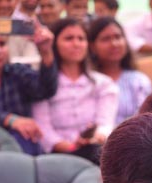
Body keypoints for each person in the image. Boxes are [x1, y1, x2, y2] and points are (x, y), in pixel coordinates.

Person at [31, 16, 116, 162]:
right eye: (69, 38)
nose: (76, 44)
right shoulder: (43, 84)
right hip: (57, 156)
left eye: (81, 39)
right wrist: (71, 147)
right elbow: (44, 130)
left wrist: (94, 138)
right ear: (54, 44)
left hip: (95, 150)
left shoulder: (103, 83)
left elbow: (105, 123)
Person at [0, 15, 56, 154]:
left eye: (2, 44)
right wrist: (11, 120)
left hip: (24, 144)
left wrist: (46, 52)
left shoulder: (17, 72)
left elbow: (46, 90)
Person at [87, 16, 150, 123]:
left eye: (118, 37)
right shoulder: (87, 81)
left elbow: (145, 119)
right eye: (106, 39)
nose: (114, 44)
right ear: (92, 47)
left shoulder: (138, 80)